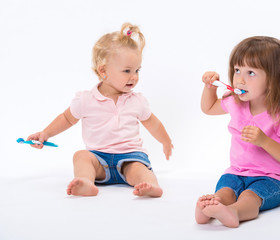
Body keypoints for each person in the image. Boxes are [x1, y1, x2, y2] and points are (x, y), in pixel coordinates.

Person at [27, 23, 173, 198]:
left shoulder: (137, 101)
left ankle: (150, 185)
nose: (134, 77)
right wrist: (45, 133)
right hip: (99, 160)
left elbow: (153, 124)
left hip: (130, 157)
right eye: (127, 71)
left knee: (138, 169)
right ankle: (86, 182)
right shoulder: (86, 99)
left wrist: (165, 141)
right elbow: (66, 119)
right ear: (103, 70)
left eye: (137, 70)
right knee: (81, 156)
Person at [195, 36, 280, 227]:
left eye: (251, 73)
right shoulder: (235, 102)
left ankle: (234, 212)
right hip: (235, 173)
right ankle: (210, 207)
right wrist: (209, 88)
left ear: (274, 80)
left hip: (270, 179)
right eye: (237, 70)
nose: (240, 79)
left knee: (250, 197)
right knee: (225, 192)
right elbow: (208, 108)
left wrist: (265, 141)